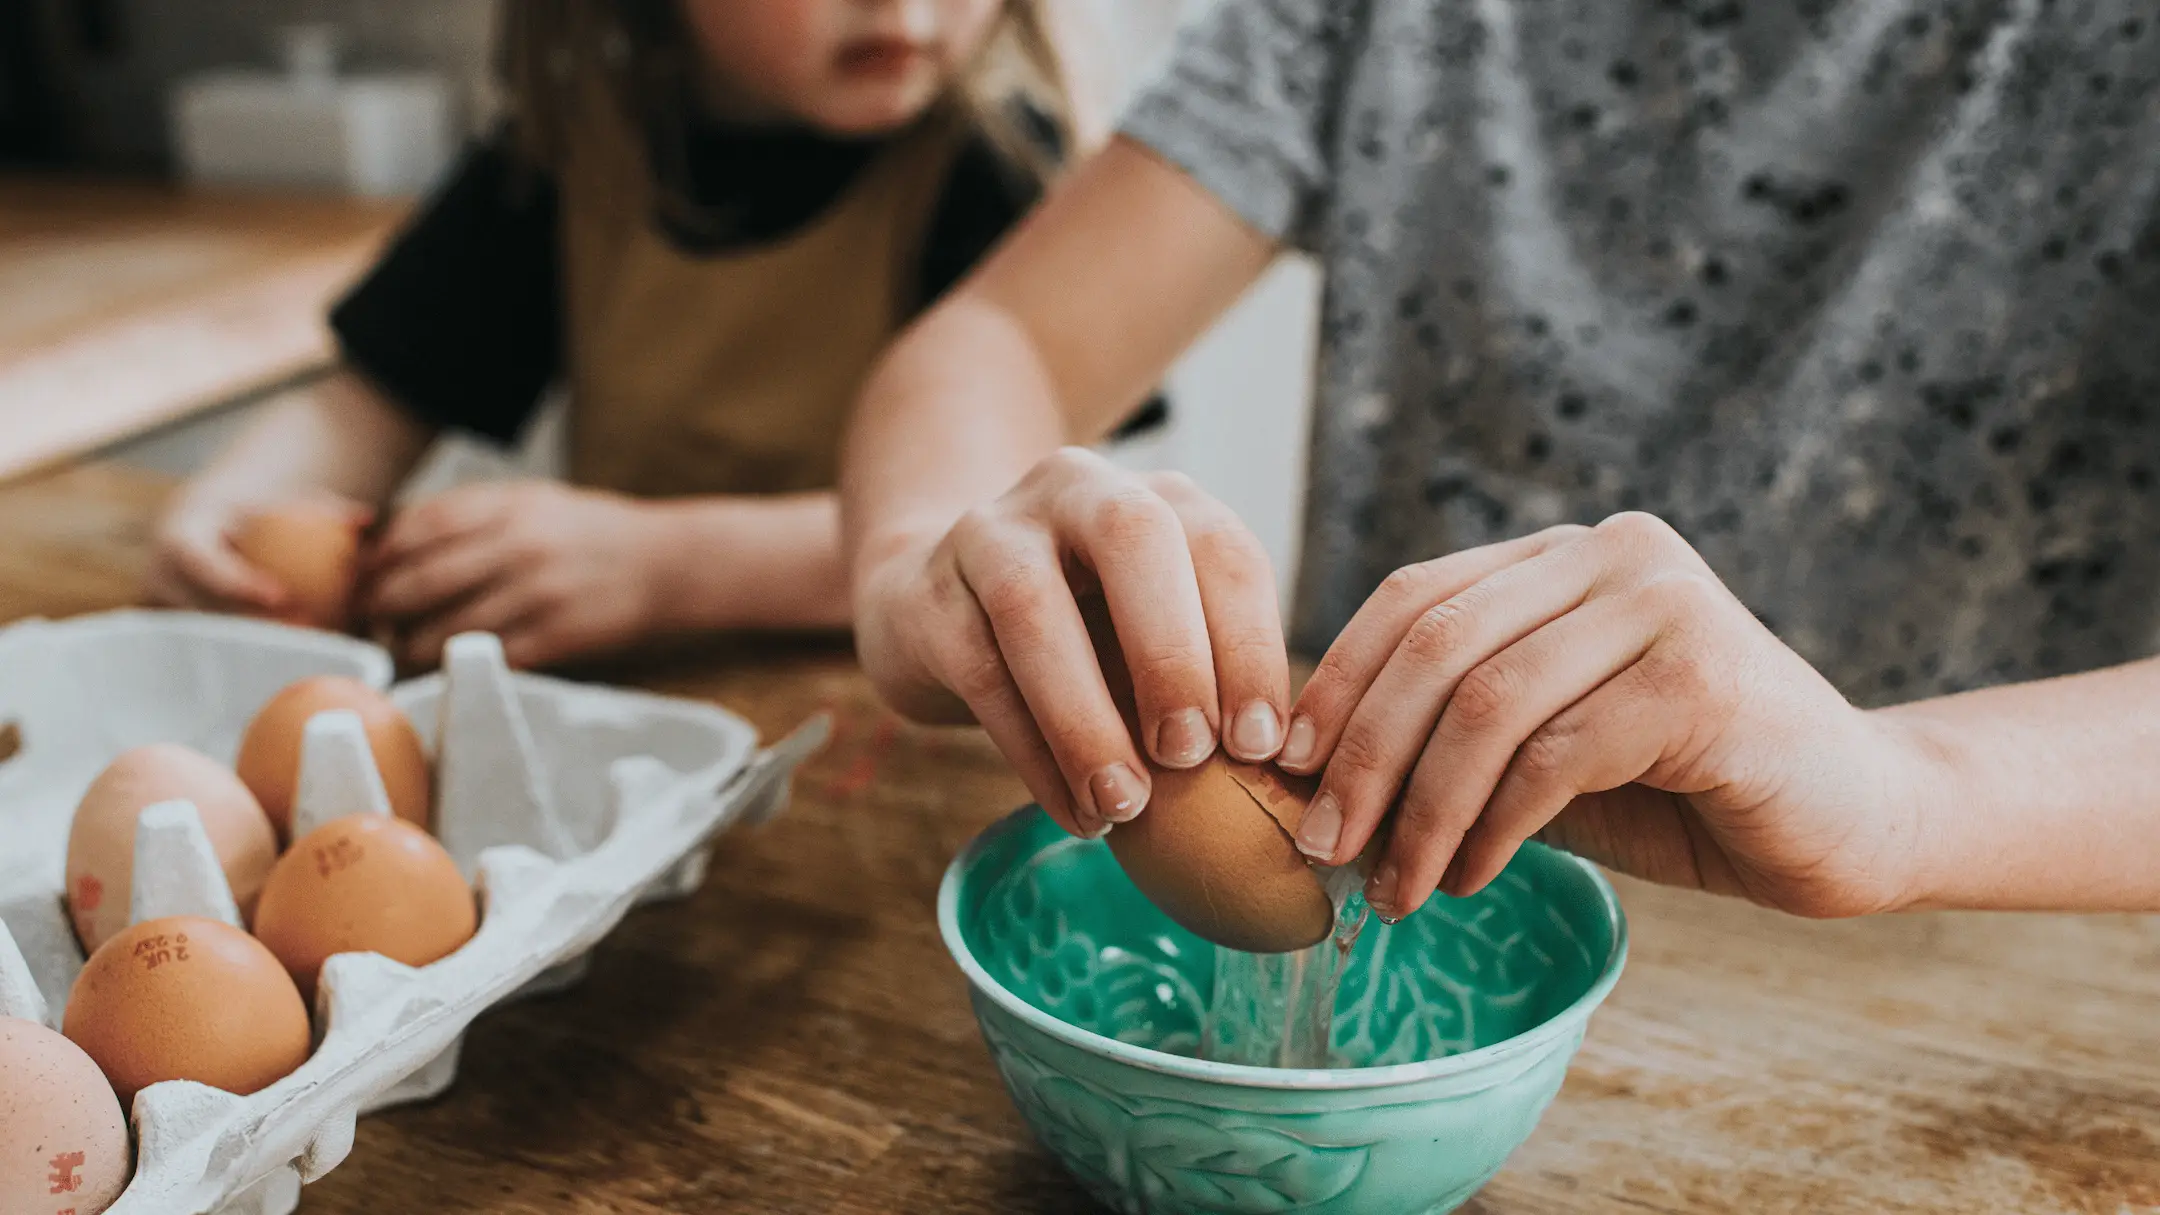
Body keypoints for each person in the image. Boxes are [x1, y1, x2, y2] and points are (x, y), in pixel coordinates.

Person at [839, 0, 2160, 925]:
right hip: (1404, 888)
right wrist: (919, 562)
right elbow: (1003, 334)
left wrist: (1903, 793)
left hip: (2000, 972)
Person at [148, 0, 1152, 669]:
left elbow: (1018, 536)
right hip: (623, 702)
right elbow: (365, 407)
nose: (904, 5)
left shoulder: (997, 170)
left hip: (885, 719)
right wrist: (238, 507)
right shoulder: (568, 150)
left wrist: (666, 567)